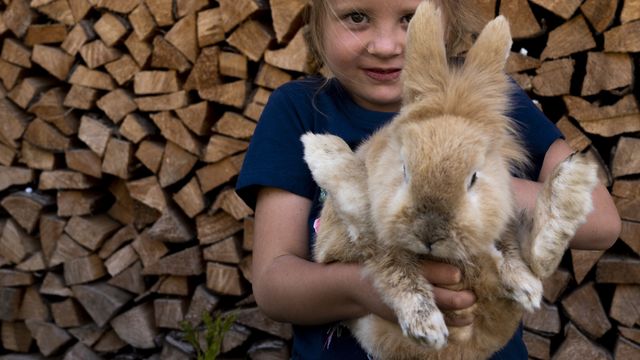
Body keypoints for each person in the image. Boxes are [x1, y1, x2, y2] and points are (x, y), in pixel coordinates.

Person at [235, 0, 621, 358]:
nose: (386, 45)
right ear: (318, 19)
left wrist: (481, 187)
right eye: (356, 17)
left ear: (450, 19)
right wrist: (366, 289)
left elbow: (602, 222)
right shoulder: (299, 110)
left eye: (409, 19)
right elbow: (273, 286)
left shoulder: (487, 100)